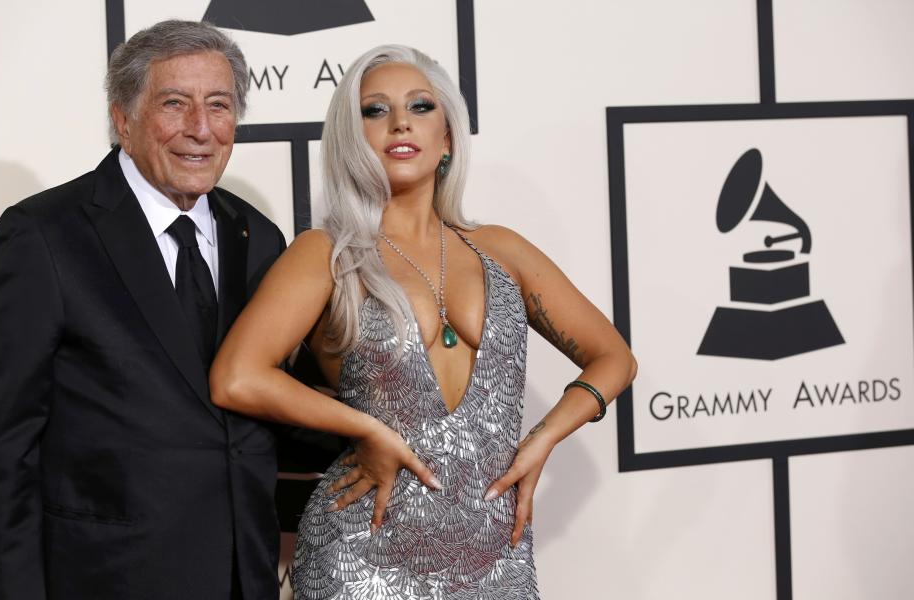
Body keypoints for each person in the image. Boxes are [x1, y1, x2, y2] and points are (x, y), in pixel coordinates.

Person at [211, 45, 637, 599]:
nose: (399, 123)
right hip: (363, 558)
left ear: (449, 137)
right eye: (374, 110)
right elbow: (236, 376)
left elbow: (616, 359)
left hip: (497, 561)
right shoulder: (327, 256)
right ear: (351, 138)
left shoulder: (501, 250)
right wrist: (364, 427)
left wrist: (542, 439)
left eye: (419, 106)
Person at [0, 20, 286, 600]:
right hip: (107, 578)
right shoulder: (44, 235)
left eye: (219, 105)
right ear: (123, 118)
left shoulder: (257, 236)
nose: (200, 129)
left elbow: (267, 406)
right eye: (174, 103)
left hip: (245, 576)